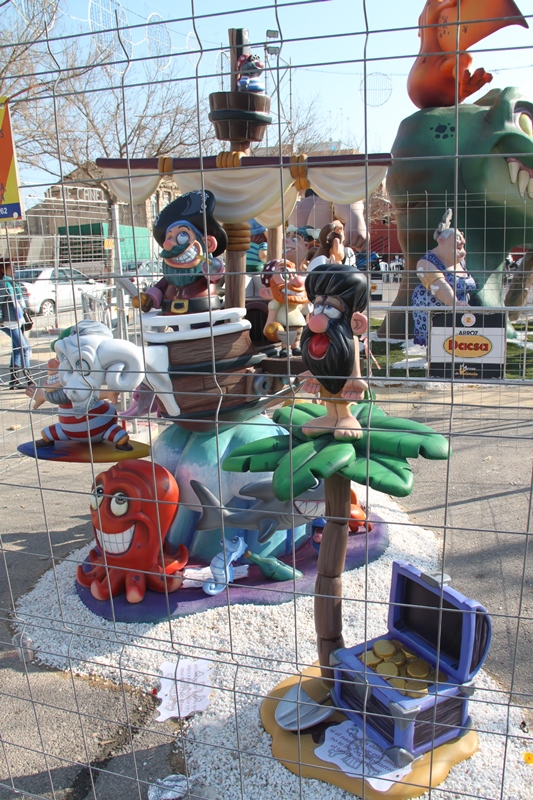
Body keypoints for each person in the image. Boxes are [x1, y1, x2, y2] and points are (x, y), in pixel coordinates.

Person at [133, 190, 226, 317]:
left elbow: (216, 278)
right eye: (169, 237)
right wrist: (148, 299)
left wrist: (214, 268)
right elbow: (159, 288)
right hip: (172, 318)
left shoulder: (203, 274)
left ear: (207, 243)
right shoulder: (170, 279)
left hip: (203, 317)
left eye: (182, 236)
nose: (169, 245)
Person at [412, 209, 477, 346]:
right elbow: (439, 285)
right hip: (435, 315)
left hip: (459, 315)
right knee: (438, 345)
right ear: (441, 240)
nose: (462, 240)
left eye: (462, 237)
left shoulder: (460, 262)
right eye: (457, 237)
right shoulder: (426, 263)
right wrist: (455, 303)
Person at [0, 257, 33, 389]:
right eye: (11, 267)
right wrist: (0, 319)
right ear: (3, 269)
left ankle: (14, 381)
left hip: (17, 320)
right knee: (24, 348)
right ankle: (29, 379)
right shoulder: (3, 284)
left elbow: (19, 301)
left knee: (18, 349)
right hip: (9, 322)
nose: (14, 269)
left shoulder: (11, 282)